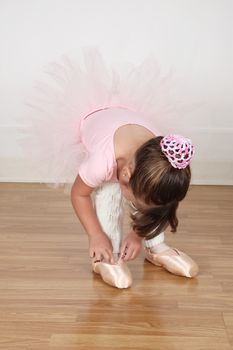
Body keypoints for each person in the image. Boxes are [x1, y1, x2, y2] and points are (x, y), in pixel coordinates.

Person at [24, 48, 199, 289]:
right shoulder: (102, 162)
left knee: (155, 198)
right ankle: (109, 254)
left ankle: (155, 247)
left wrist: (138, 235)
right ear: (126, 175)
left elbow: (158, 202)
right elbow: (79, 194)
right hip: (96, 126)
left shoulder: (161, 162)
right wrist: (95, 235)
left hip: (127, 129)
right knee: (109, 193)